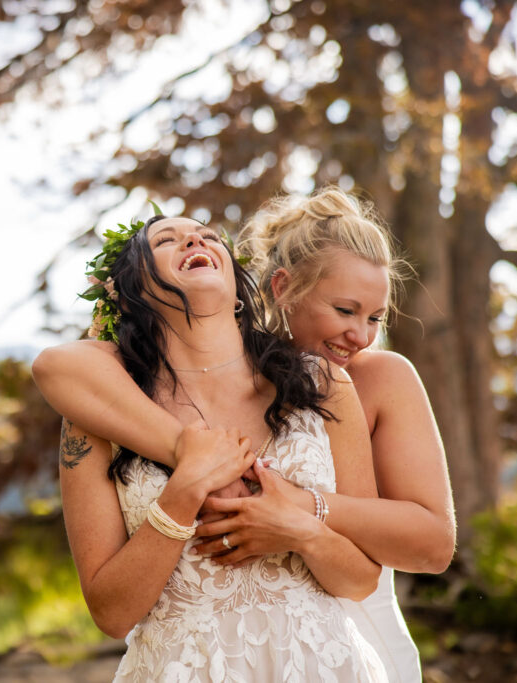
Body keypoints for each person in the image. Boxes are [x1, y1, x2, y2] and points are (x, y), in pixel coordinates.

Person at [33, 188, 456, 683]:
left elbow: (378, 570)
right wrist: (188, 479)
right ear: (130, 292)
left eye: (208, 236)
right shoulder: (105, 406)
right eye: (167, 239)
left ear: (238, 287)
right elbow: (56, 364)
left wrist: (300, 517)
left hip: (325, 658)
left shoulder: (327, 384)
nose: (362, 336)